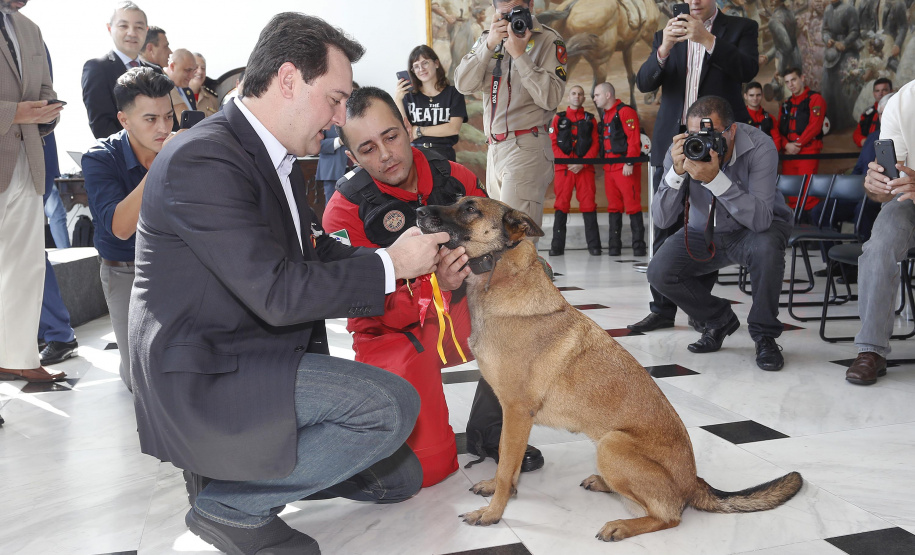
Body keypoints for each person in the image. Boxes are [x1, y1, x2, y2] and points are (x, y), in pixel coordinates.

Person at [129, 14, 453, 554]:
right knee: (390, 407)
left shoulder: (264, 154)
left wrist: (400, 257)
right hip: (209, 369)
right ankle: (230, 504)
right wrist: (391, 265)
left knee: (400, 479)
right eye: (333, 99)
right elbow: (278, 293)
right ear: (287, 80)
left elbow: (312, 247)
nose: (336, 119)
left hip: (251, 352)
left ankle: (259, 470)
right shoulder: (204, 157)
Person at [324, 85, 543, 485]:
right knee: (424, 471)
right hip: (393, 329)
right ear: (352, 157)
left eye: (391, 136)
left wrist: (478, 268)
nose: (386, 154)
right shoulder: (344, 211)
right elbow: (358, 302)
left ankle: (489, 428)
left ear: (408, 127)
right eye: (368, 148)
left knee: (530, 317)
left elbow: (499, 245)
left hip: (461, 307)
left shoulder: (454, 179)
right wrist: (434, 285)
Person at [631, 0, 759, 333]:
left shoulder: (741, 29)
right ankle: (660, 309)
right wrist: (664, 48)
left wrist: (707, 39)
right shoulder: (666, 32)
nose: (695, 3)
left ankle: (701, 309)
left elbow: (747, 70)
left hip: (714, 146)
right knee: (664, 223)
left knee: (706, 226)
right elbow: (644, 82)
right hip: (670, 143)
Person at [647, 96, 792, 371]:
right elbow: (663, 219)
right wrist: (675, 175)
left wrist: (716, 180)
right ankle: (718, 319)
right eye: (693, 134)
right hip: (704, 231)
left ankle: (764, 337)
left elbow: (761, 219)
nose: (700, 141)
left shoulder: (760, 146)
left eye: (709, 134)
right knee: (659, 271)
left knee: (767, 248)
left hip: (752, 231)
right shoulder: (680, 149)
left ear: (732, 130)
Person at [82, 67, 175, 391]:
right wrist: (162, 166)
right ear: (124, 120)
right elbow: (121, 228)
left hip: (180, 265)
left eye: (168, 116)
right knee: (140, 378)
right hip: (126, 273)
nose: (163, 128)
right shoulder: (100, 159)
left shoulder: (184, 147)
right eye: (151, 119)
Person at [454, 0, 566, 232]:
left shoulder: (548, 40)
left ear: (531, 5)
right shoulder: (489, 39)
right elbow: (463, 85)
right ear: (495, 11)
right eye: (504, 13)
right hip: (495, 150)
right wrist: (488, 46)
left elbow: (551, 98)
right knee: (498, 238)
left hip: (526, 145)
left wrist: (519, 55)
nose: (511, 18)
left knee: (515, 240)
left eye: (517, 10)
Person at [1, 0, 66, 383]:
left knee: (26, 265)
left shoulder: (29, 28)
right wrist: (16, 113)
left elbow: (43, 87)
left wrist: (48, 111)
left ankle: (18, 357)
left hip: (27, 157)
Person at [844, 81, 915, 386]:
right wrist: (876, 185)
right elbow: (888, 186)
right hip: (908, 199)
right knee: (878, 246)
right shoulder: (903, 102)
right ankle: (871, 350)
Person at [81, 1, 153, 139]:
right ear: (110, 28)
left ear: (146, 30)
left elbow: (169, 118)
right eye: (123, 26)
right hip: (122, 156)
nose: (131, 33)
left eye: (139, 27)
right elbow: (102, 125)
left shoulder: (156, 71)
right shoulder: (97, 68)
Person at [593, 82, 645, 256]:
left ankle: (639, 247)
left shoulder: (625, 112)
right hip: (610, 168)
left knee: (632, 205)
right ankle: (614, 247)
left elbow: (633, 138)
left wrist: (629, 162)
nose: (594, 99)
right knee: (614, 207)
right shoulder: (607, 115)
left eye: (597, 95)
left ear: (608, 95)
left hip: (624, 167)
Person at [548, 84, 600, 256]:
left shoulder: (590, 119)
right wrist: (568, 162)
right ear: (568, 97)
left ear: (583, 98)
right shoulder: (558, 119)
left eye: (580, 94)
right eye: (574, 93)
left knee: (588, 205)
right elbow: (553, 143)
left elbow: (595, 144)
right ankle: (557, 247)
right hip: (564, 169)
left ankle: (594, 246)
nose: (577, 96)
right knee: (561, 205)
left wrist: (582, 163)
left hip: (585, 169)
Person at [395, 44, 467, 162]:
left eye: (425, 63)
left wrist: (419, 130)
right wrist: (398, 99)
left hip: (444, 155)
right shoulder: (408, 97)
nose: (421, 69)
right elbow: (404, 131)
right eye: (416, 66)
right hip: (416, 155)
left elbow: (453, 128)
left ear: (436, 63)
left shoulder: (454, 93)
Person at [779, 67, 827, 211]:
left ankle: (809, 225)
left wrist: (797, 145)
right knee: (792, 192)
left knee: (808, 192)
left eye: (793, 80)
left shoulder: (815, 99)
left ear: (802, 78)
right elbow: (780, 129)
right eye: (787, 82)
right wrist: (787, 145)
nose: (791, 85)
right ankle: (795, 225)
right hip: (789, 153)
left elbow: (815, 126)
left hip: (808, 151)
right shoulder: (786, 104)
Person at [821, 0, 859, 132]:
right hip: (832, 51)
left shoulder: (849, 9)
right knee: (827, 83)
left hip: (848, 50)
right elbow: (824, 30)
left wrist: (844, 42)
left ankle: (844, 121)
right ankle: (830, 121)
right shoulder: (828, 10)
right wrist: (828, 39)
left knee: (841, 83)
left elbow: (855, 31)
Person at [853, 78, 892, 148]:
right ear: (874, 93)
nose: (880, 93)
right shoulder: (868, 113)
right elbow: (857, 133)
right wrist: (865, 141)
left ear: (891, 91)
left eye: (884, 90)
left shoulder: (897, 112)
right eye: (877, 91)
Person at [163, 48, 198, 128]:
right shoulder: (162, 90)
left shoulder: (188, 92)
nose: (191, 76)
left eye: (193, 71)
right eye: (188, 70)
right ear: (172, 66)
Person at [744, 81, 782, 146]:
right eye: (751, 95)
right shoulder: (739, 117)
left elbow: (777, 139)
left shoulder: (770, 118)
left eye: (758, 95)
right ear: (745, 96)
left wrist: (770, 155)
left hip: (767, 154)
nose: (755, 98)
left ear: (762, 95)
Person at [189, 52, 219, 117]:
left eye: (203, 68)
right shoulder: (178, 95)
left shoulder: (211, 98)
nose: (200, 71)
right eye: (196, 67)